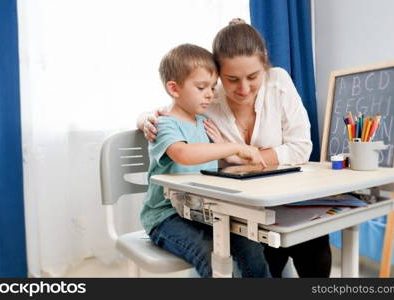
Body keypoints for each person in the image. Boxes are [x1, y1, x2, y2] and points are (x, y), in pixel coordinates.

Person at [137, 20, 332, 278]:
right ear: (219, 75)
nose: (243, 88)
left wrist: (236, 154)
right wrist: (144, 118)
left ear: (264, 65)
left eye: (253, 77)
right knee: (230, 252)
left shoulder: (276, 83)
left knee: (305, 237)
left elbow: (300, 147)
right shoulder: (206, 101)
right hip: (198, 210)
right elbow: (174, 121)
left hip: (244, 202)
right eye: (231, 80)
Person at [140, 43, 272, 278]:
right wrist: (234, 147)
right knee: (211, 254)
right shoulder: (165, 124)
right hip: (166, 217)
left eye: (212, 87)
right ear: (174, 88)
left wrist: (242, 155)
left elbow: (224, 158)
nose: (210, 94)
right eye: (201, 87)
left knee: (251, 245)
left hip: (204, 212)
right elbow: (184, 154)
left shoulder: (203, 123)